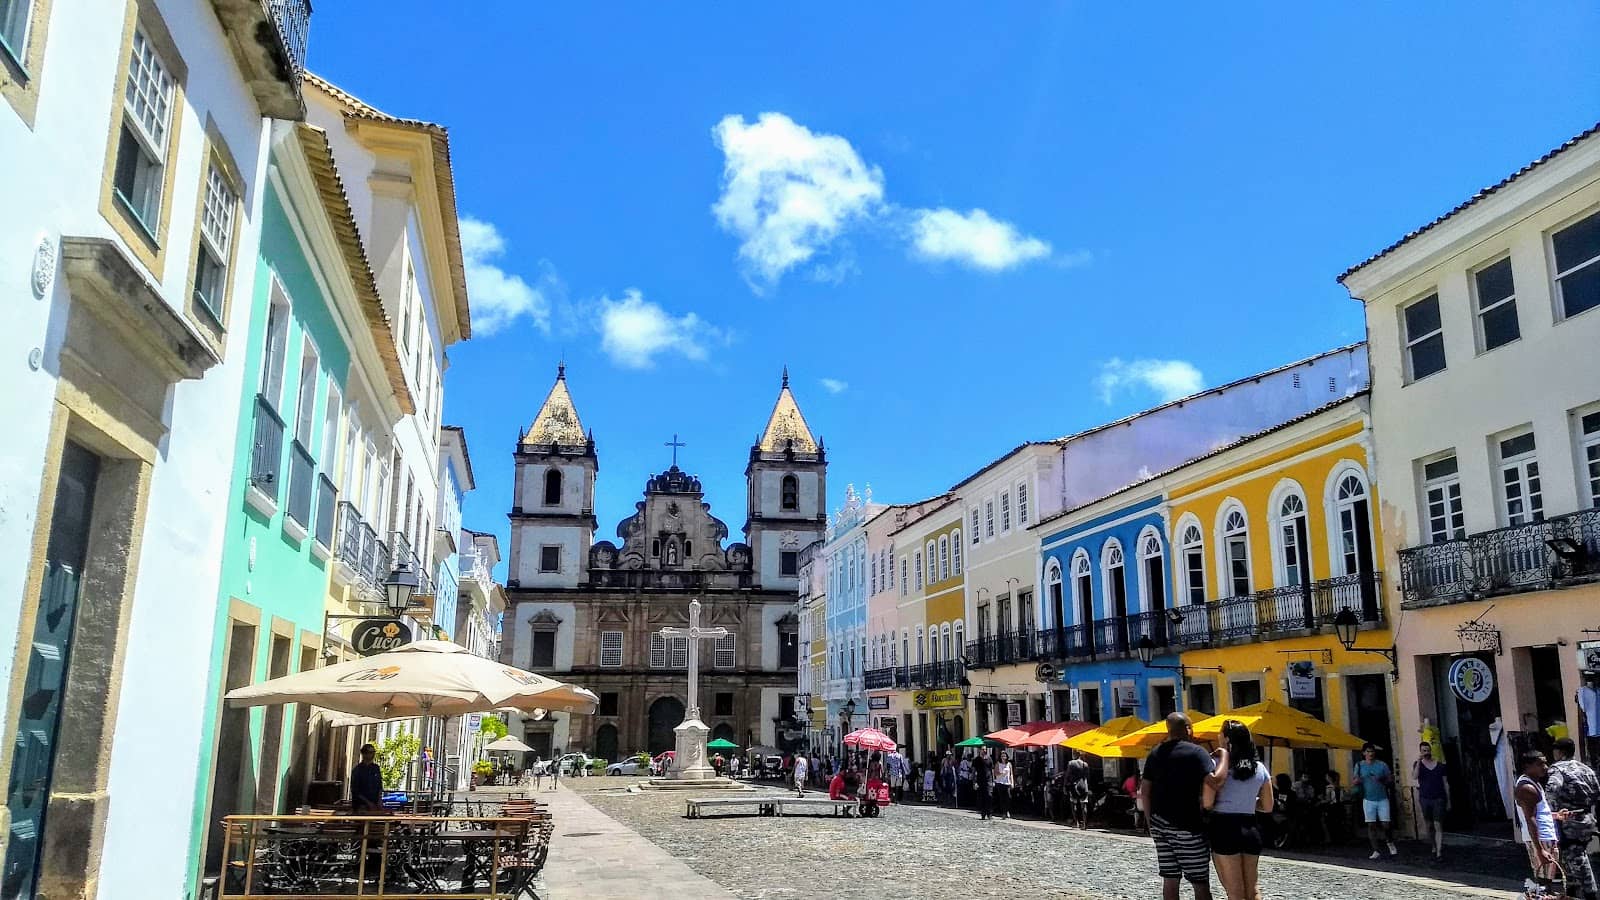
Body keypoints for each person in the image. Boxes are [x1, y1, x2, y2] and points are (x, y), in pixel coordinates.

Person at [1140, 713, 1215, 900]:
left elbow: (1145, 791)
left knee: (1170, 878)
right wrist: (1225, 759)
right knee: (1199, 881)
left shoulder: (1155, 753)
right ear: (1188, 729)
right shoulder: (1197, 753)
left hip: (1159, 824)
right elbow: (1213, 782)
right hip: (1188, 825)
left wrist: (1151, 823)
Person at [1202, 720, 1272, 900]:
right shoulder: (1259, 768)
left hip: (1224, 826)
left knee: (1234, 891)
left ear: (1226, 739)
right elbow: (1267, 806)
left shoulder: (1216, 765)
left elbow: (1208, 802)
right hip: (1250, 827)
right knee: (1253, 889)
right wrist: (1247, 801)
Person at [1548, 737, 1600, 900]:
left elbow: (1552, 792)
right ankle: (1572, 893)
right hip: (1585, 818)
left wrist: (1551, 813)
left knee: (1577, 860)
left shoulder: (1558, 769)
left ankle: (1590, 894)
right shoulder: (1586, 769)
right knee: (1571, 861)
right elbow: (1596, 791)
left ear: (1560, 752)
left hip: (1568, 820)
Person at [1515, 750, 1562, 897]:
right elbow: (1530, 819)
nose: (1545, 767)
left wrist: (1557, 816)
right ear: (1527, 766)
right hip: (1541, 838)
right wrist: (1540, 849)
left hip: (1546, 836)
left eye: (1545, 763)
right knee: (1543, 884)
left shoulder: (1535, 784)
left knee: (1547, 882)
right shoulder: (1526, 788)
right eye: (1540, 764)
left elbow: (1540, 814)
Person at [1354, 743, 1398, 859]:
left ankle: (1389, 842)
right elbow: (1354, 781)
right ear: (1364, 753)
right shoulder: (1359, 765)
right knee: (1371, 825)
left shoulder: (1382, 765)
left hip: (1382, 797)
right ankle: (1376, 850)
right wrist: (1358, 781)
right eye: (1368, 751)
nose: (1370, 754)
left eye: (1372, 751)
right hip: (1368, 799)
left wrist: (1381, 779)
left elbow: (1390, 781)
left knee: (1386, 824)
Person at [1412, 740, 1451, 861]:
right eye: (1424, 751)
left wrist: (1449, 799)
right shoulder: (1418, 765)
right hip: (1425, 798)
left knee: (1438, 824)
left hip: (1438, 798)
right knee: (1429, 825)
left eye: (1428, 750)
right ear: (1420, 752)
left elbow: (1446, 783)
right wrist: (1419, 761)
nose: (1426, 753)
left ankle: (1439, 852)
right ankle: (1433, 845)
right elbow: (1414, 777)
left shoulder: (1439, 766)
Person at [351, 743, 385, 814]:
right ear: (364, 754)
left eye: (373, 752)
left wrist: (379, 800)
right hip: (361, 805)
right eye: (370, 752)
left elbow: (379, 786)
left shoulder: (376, 768)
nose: (372, 755)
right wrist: (368, 803)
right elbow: (355, 791)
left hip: (375, 804)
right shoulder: (357, 770)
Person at [1066, 750, 1092, 829]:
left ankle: (1076, 822)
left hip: (1074, 786)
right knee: (1083, 805)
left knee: (1073, 804)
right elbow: (1088, 777)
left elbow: (1067, 775)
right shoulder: (1085, 764)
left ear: (1074, 755)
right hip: (1083, 785)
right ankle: (1084, 823)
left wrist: (1065, 785)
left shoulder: (1071, 763)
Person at [973, 747, 994, 820]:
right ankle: (983, 813)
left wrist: (993, 780)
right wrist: (975, 782)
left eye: (985, 749)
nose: (984, 750)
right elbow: (974, 771)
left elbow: (992, 770)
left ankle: (990, 813)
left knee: (989, 796)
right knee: (982, 798)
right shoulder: (976, 760)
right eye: (983, 749)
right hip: (980, 781)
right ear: (979, 750)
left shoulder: (989, 759)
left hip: (988, 781)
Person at [993, 751, 1015, 820]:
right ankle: (1003, 813)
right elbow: (995, 773)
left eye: (1004, 756)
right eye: (1002, 756)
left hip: (1007, 783)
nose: (1003, 757)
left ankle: (1007, 810)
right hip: (1000, 782)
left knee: (1008, 797)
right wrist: (1001, 773)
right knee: (1002, 798)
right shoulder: (998, 764)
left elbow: (1011, 774)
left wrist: (1012, 782)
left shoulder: (1009, 764)